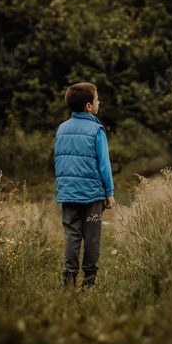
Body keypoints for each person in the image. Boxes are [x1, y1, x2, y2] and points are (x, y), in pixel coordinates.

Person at [54, 82, 115, 288]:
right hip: (92, 194)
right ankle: (89, 281)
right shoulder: (96, 129)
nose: (99, 102)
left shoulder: (62, 129)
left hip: (68, 193)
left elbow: (59, 160)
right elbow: (104, 164)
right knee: (92, 237)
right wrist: (109, 192)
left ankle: (69, 279)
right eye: (97, 99)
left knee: (71, 235)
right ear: (89, 106)